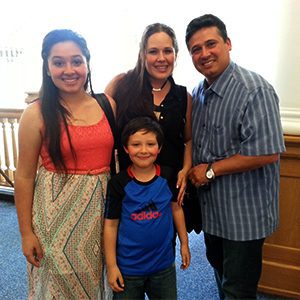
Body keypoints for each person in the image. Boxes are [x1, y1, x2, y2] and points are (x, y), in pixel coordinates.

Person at [185, 14, 286, 299]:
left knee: (238, 288)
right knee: (220, 274)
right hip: (213, 212)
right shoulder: (198, 91)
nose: (204, 54)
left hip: (243, 216)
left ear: (228, 43)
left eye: (211, 44)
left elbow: (267, 152)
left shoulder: (254, 90)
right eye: (196, 49)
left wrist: (210, 170)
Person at [14, 29, 115, 299]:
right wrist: (26, 233)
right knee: (55, 287)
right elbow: (24, 176)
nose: (69, 69)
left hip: (100, 219)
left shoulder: (107, 105)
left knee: (97, 282)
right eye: (58, 62)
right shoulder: (35, 114)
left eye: (76, 61)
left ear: (87, 63)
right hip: (54, 221)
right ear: (47, 68)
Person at [103, 116, 191, 299]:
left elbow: (176, 210)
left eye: (150, 144)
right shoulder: (118, 184)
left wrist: (184, 243)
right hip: (128, 270)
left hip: (163, 266)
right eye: (136, 144)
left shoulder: (168, 177)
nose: (144, 150)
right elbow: (111, 226)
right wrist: (111, 267)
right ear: (126, 148)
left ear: (159, 148)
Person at [105, 23, 192, 204]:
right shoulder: (121, 84)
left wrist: (185, 169)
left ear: (175, 54)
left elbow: (188, 140)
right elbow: (102, 128)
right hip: (127, 190)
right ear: (142, 54)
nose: (161, 58)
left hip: (167, 191)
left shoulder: (184, 97)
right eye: (153, 52)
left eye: (167, 51)